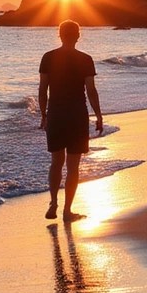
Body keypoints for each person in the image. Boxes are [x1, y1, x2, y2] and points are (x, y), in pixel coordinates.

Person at [38, 20, 103, 222]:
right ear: (78, 36)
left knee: (56, 162)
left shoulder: (48, 57)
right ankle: (67, 211)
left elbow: (42, 89)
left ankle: (53, 203)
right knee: (73, 166)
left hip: (56, 114)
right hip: (77, 115)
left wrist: (44, 115)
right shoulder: (85, 59)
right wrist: (99, 115)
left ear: (60, 35)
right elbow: (91, 90)